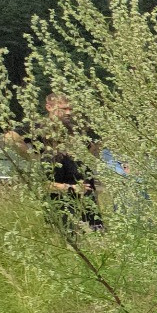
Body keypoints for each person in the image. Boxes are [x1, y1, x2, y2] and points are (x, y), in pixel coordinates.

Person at [38, 94, 103, 233]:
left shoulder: (77, 145)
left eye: (70, 109)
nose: (68, 113)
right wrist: (71, 188)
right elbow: (45, 184)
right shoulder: (49, 151)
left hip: (88, 208)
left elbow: (92, 150)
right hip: (66, 211)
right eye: (64, 109)